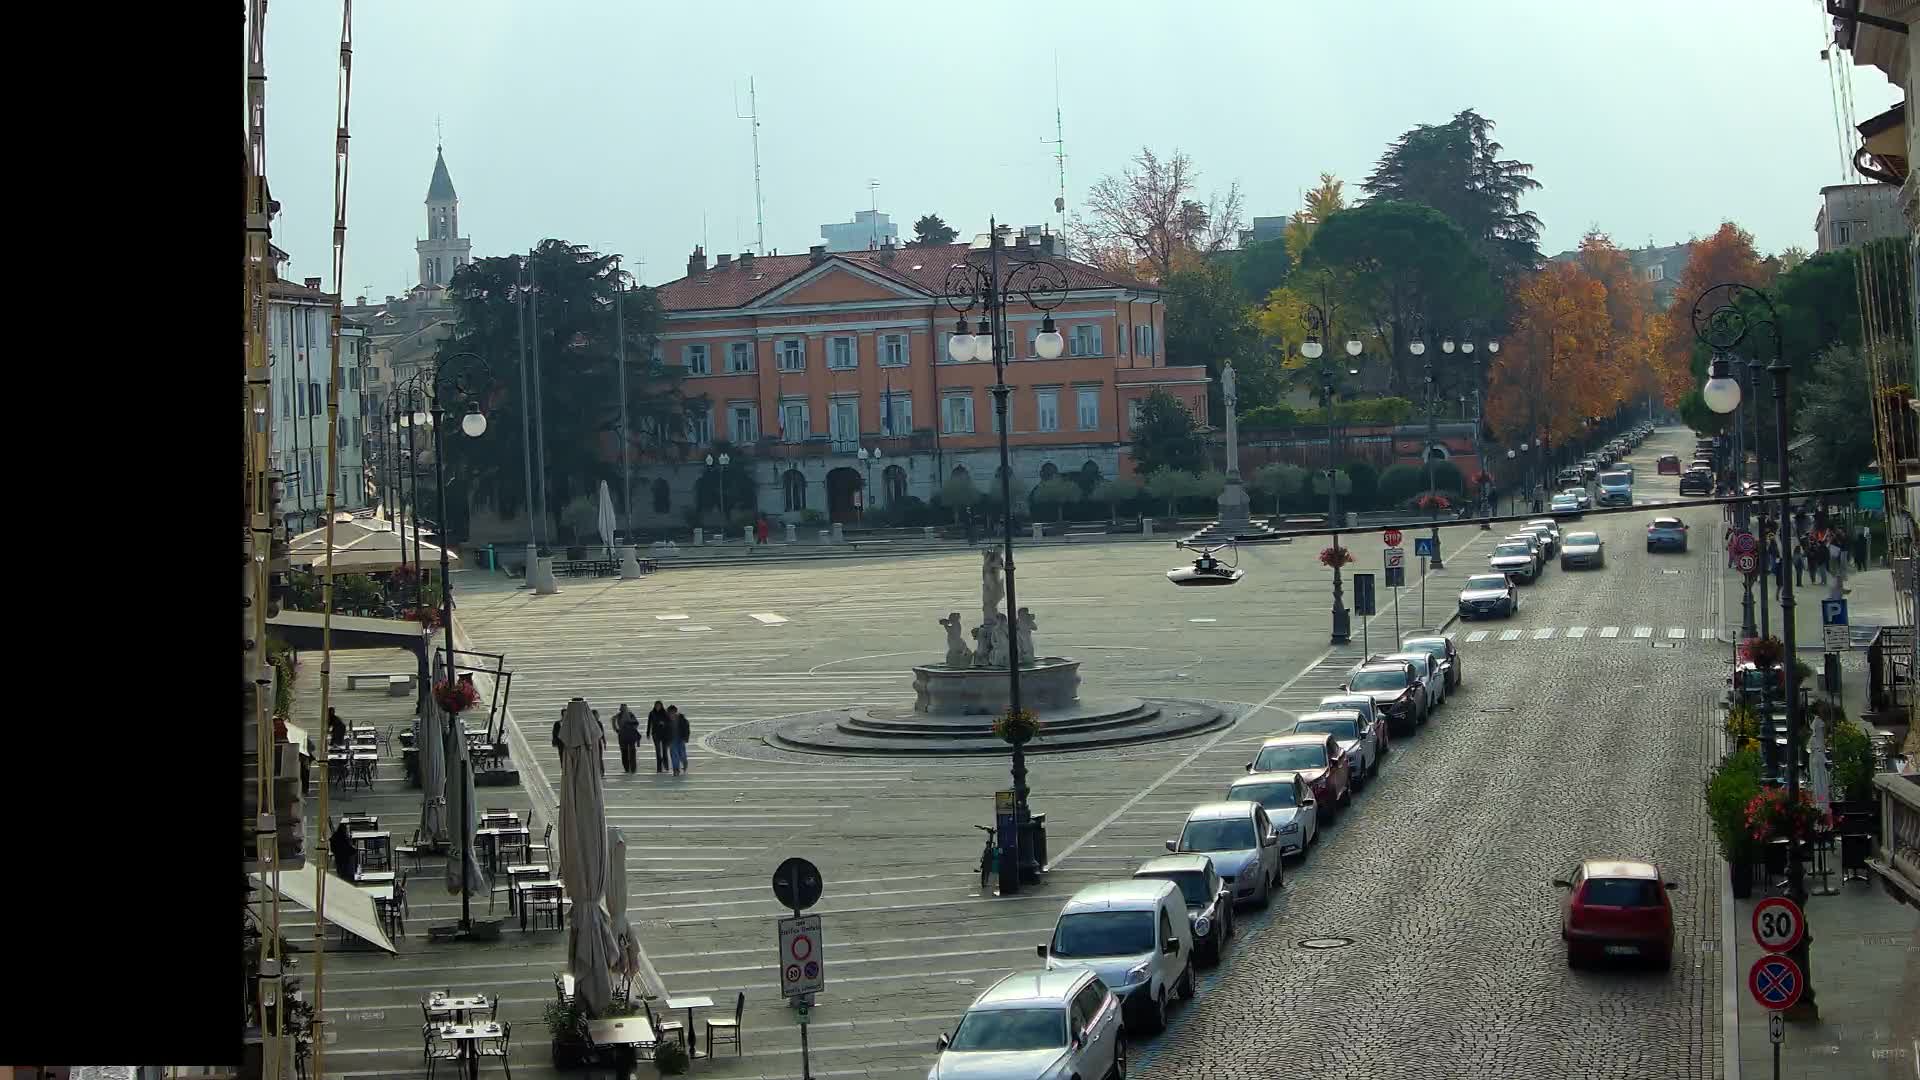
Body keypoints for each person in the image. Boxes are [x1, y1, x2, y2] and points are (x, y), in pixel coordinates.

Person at [614, 703, 641, 774]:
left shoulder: (630, 715)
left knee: (631, 752)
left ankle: (632, 768)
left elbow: (636, 723)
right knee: (624, 752)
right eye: (622, 708)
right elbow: (614, 723)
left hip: (629, 735)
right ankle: (628, 768)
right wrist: (617, 730)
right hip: (623, 736)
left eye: (624, 708)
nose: (624, 709)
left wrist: (629, 723)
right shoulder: (618, 716)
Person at [647, 701, 670, 773]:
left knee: (664, 750)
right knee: (658, 751)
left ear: (661, 706)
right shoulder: (652, 713)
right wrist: (648, 732)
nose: (657, 707)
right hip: (656, 734)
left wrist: (664, 723)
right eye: (656, 706)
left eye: (659, 706)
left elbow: (669, 722)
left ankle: (666, 766)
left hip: (664, 734)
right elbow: (649, 723)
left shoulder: (665, 713)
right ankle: (659, 767)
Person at [668, 706, 690, 776]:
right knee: (674, 755)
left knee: (682, 754)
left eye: (673, 713)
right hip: (672, 739)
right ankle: (676, 769)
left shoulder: (682, 719)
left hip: (681, 738)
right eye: (670, 713)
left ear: (675, 712)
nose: (671, 714)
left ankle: (684, 762)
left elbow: (686, 729)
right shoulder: (667, 720)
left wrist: (686, 738)